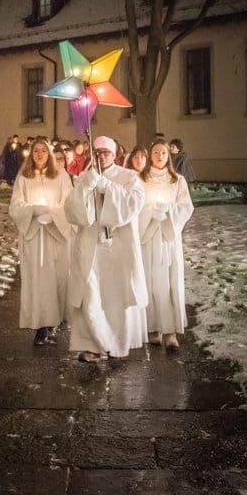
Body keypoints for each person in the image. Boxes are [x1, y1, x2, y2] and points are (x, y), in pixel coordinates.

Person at [63, 135, 147, 363]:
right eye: (97, 152)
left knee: (114, 297)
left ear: (114, 154)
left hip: (117, 247)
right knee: (91, 296)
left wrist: (108, 188)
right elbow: (72, 211)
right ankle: (94, 345)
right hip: (91, 246)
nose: (101, 156)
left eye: (106, 152)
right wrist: (86, 188)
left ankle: (116, 344)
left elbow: (133, 205)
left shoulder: (129, 177)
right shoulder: (85, 177)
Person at [8, 137, 74, 345]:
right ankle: (40, 325)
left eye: (43, 151)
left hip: (56, 235)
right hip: (34, 235)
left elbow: (69, 203)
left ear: (50, 154)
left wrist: (53, 214)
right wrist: (34, 211)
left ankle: (54, 322)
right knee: (38, 280)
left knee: (57, 279)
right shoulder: (24, 177)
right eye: (35, 151)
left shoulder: (61, 176)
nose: (39, 155)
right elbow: (15, 205)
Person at [138, 139, 195, 349]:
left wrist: (169, 212)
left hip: (168, 238)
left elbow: (186, 207)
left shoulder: (177, 180)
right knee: (151, 282)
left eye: (163, 152)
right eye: (155, 152)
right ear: (150, 156)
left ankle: (171, 331)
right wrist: (151, 212)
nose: (159, 156)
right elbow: (135, 205)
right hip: (149, 236)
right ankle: (154, 327)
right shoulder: (141, 179)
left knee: (170, 283)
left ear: (168, 156)